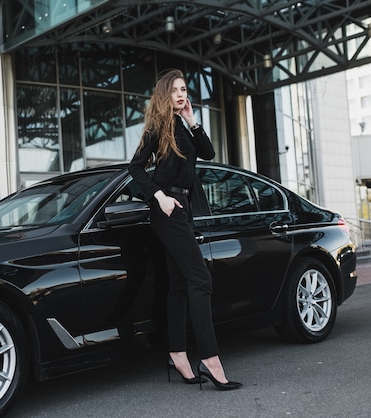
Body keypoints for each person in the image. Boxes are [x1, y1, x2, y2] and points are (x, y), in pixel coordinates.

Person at [128, 69, 241, 391]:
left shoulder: (181, 125)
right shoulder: (158, 127)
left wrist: (193, 120)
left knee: (179, 284)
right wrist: (159, 196)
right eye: (175, 90)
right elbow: (135, 168)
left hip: (184, 209)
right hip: (168, 210)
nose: (181, 94)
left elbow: (208, 154)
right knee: (200, 279)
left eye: (185, 89)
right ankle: (210, 358)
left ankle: (178, 354)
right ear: (165, 94)